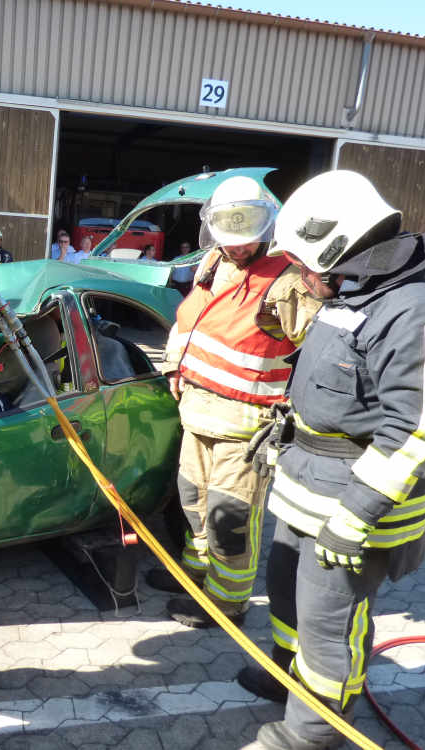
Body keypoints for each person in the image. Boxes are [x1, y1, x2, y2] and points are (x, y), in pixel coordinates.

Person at [238, 171, 425, 750]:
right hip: (308, 493)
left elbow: (424, 429)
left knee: (329, 624)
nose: (298, 274)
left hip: (354, 512)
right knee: (288, 597)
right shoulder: (352, 297)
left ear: (341, 246)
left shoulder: (422, 313)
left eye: (303, 262)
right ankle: (287, 679)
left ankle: (314, 732)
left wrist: (355, 515)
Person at [146, 176, 320, 629]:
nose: (237, 248)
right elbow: (190, 322)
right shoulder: (212, 262)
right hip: (198, 415)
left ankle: (227, 603)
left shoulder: (287, 282)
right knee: (192, 502)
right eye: (229, 237)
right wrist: (172, 367)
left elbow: (320, 352)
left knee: (230, 517)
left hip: (245, 429)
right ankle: (195, 575)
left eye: (246, 240)